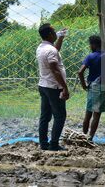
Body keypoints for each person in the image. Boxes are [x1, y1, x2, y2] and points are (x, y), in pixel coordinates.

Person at [36, 23, 69, 151]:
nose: (56, 33)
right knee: (60, 115)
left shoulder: (42, 47)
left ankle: (43, 144)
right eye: (55, 32)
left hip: (44, 85)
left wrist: (60, 38)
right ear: (50, 34)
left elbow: (55, 51)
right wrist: (64, 87)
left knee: (45, 116)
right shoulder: (50, 50)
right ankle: (54, 144)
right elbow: (55, 69)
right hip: (53, 87)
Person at [77, 35, 105, 141]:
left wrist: (84, 85)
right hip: (102, 86)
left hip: (91, 86)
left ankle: (84, 136)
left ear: (94, 45)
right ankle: (89, 138)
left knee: (88, 113)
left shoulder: (91, 56)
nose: (90, 46)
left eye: (90, 44)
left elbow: (80, 72)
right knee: (96, 115)